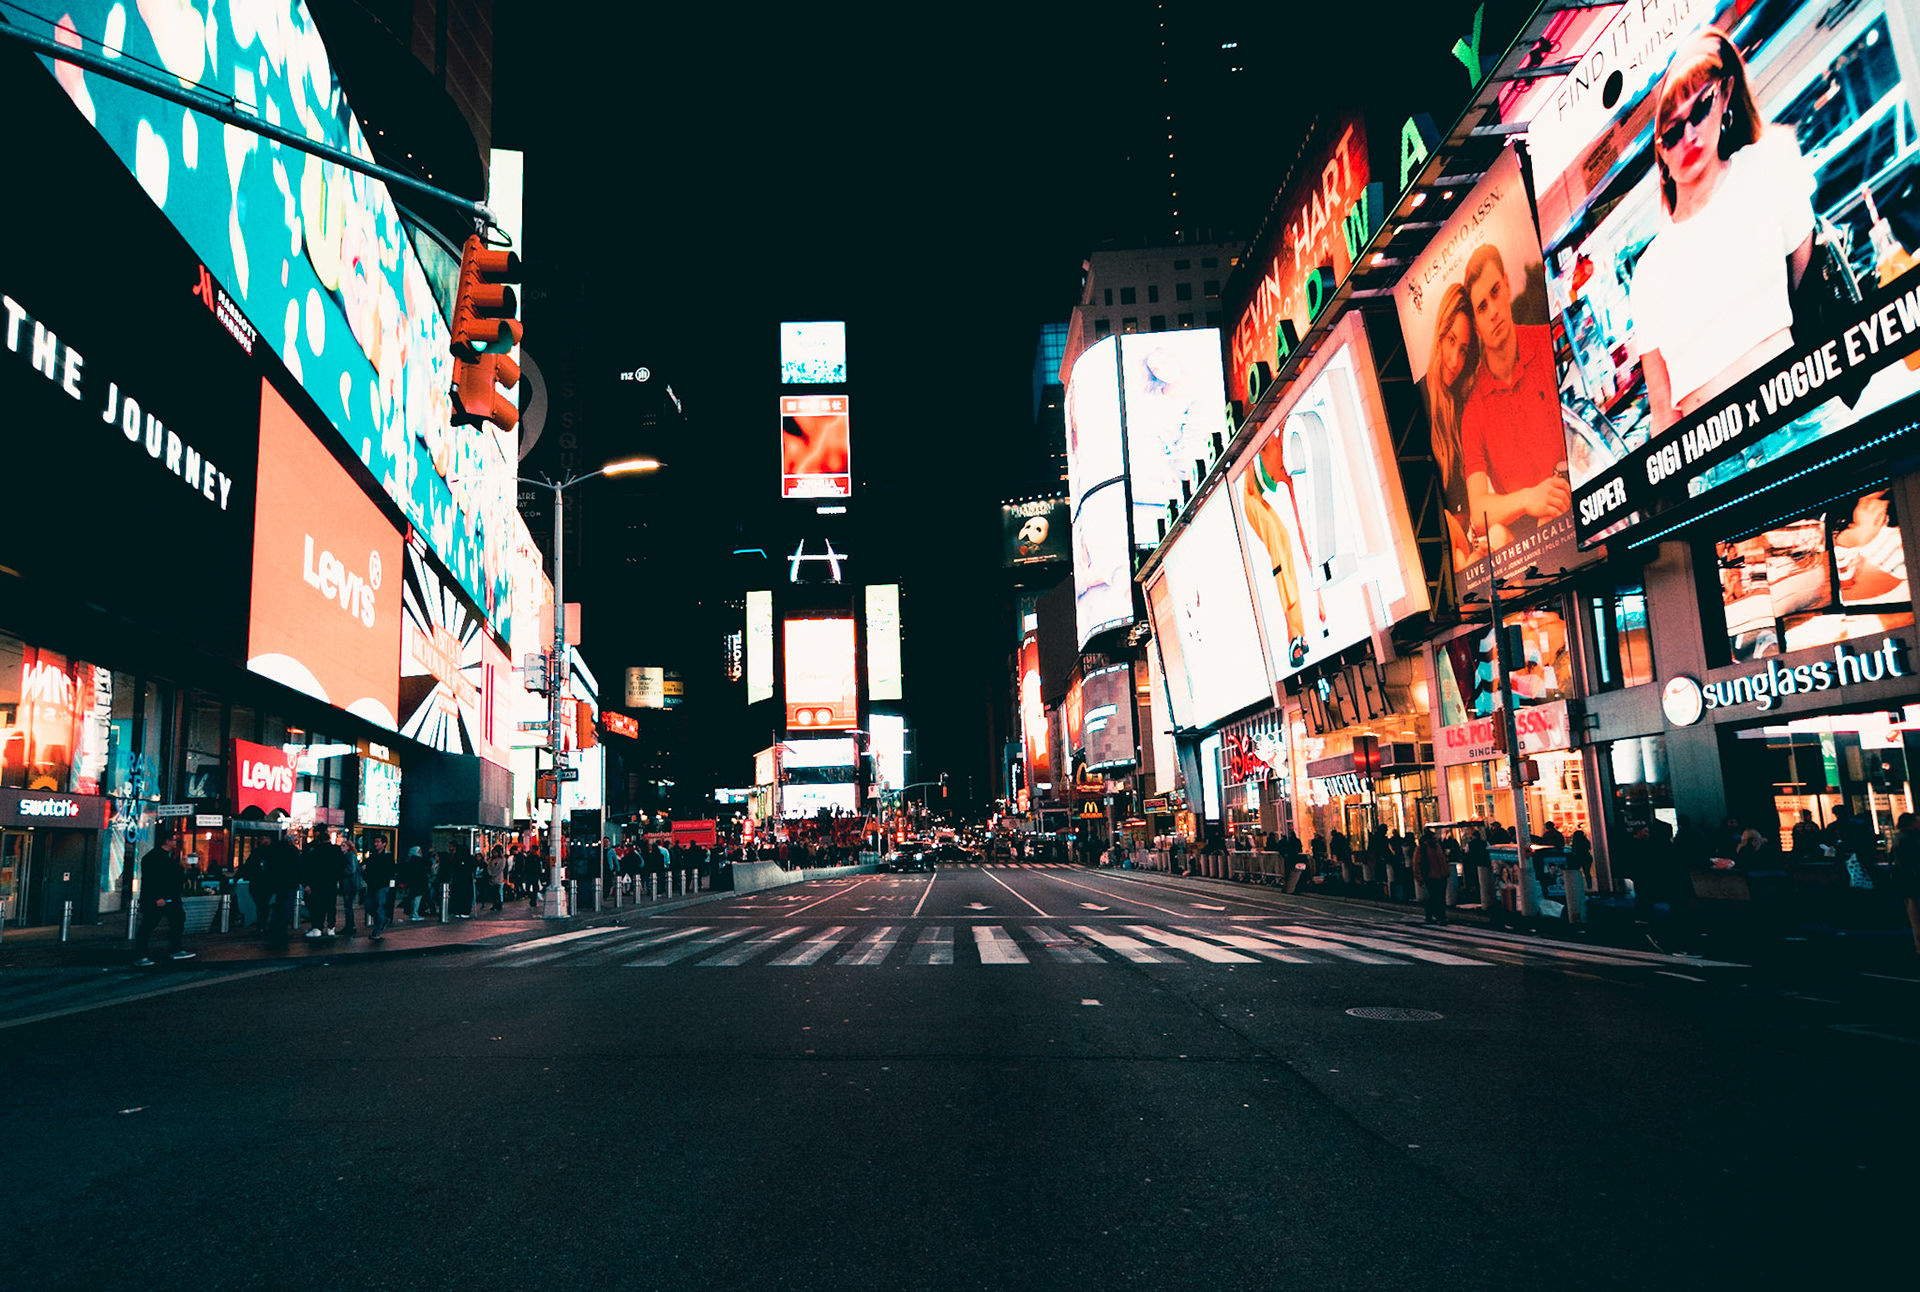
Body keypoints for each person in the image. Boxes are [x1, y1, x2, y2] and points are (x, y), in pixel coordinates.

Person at [1632, 28, 1816, 435]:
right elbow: (1664, 416)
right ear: (1660, 150)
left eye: (1700, 109)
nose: (1690, 136)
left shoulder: (1768, 164)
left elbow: (1808, 299)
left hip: (1797, 420)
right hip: (1717, 464)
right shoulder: (1649, 272)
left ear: (1725, 95)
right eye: (1673, 132)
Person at [1459, 242, 1568, 545]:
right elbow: (1478, 510)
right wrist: (1528, 498)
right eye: (1481, 307)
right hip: (1524, 543)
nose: (1493, 311)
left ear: (1507, 285)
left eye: (1495, 292)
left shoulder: (1548, 345)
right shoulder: (1474, 410)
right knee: (1494, 535)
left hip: (1574, 502)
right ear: (1476, 326)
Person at [1424, 279, 1488, 568]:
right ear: (1439, 336)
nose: (1454, 360)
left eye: (1463, 349)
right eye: (1451, 341)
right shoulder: (1419, 404)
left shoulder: (1463, 405)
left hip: (1468, 546)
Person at [133, 829, 195, 966]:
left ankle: (174, 949)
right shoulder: (155, 858)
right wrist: (157, 897)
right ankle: (140, 955)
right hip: (158, 898)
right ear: (167, 841)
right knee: (149, 924)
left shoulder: (164, 857)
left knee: (177, 918)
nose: (175, 843)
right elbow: (152, 879)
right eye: (173, 840)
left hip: (167, 897)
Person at [302, 831, 345, 938]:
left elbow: (308, 868)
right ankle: (331, 927)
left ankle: (318, 927)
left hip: (318, 883)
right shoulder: (336, 850)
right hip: (332, 882)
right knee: (331, 906)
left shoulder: (315, 851)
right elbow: (341, 866)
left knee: (318, 906)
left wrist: (307, 883)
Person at [1891, 812, 1920, 956]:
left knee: (1914, 916)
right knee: (1916, 915)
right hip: (1913, 883)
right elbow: (1914, 862)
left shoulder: (1899, 838)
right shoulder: (1909, 839)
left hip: (1907, 883)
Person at [362, 839, 396, 940]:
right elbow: (366, 864)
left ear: (384, 844)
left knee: (380, 907)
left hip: (382, 885)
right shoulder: (373, 854)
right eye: (375, 842)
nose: (375, 844)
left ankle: (377, 931)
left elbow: (390, 869)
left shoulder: (387, 856)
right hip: (372, 884)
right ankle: (382, 920)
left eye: (378, 842)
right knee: (368, 906)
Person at [1417, 828, 1450, 925]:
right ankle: (1437, 915)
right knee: (1435, 897)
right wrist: (1419, 878)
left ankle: (1440, 915)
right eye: (1433, 838)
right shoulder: (1422, 849)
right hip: (1430, 875)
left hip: (1441, 875)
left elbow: (1443, 859)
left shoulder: (1438, 847)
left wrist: (1446, 871)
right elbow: (1417, 864)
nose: (1436, 840)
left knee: (1440, 897)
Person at [399, 845, 431, 920]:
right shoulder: (418, 861)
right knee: (417, 898)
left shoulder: (410, 860)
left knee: (414, 898)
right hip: (419, 883)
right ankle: (415, 914)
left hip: (413, 883)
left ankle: (413, 913)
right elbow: (421, 873)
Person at [485, 847, 508, 912]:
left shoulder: (502, 859)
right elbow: (488, 867)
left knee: (497, 891)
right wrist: (490, 874)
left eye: (496, 852)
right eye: (494, 852)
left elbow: (501, 868)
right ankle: (495, 904)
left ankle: (498, 904)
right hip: (491, 877)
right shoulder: (491, 860)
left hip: (498, 877)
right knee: (493, 892)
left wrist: (495, 874)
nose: (495, 854)